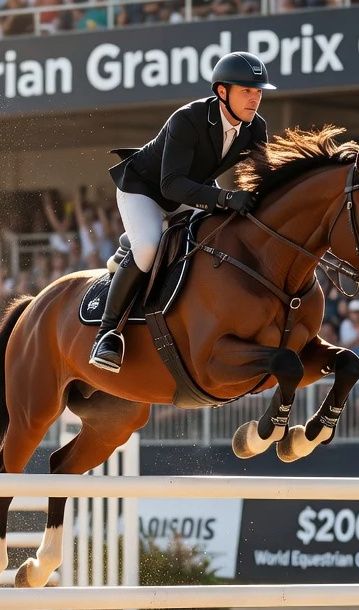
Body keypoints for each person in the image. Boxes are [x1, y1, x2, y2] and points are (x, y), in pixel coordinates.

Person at [92, 51, 272, 372]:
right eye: (246, 91)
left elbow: (264, 176)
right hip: (145, 189)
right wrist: (227, 197)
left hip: (191, 187)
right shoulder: (187, 119)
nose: (254, 99)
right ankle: (107, 334)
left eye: (258, 91)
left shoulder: (255, 128)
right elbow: (171, 186)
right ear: (222, 92)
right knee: (148, 246)